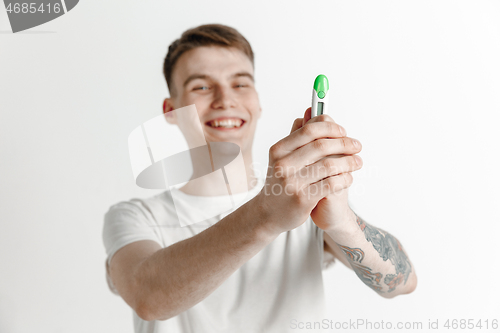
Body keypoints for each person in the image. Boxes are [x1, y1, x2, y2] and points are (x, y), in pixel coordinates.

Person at [102, 23, 417, 333]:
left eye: (241, 84)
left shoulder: (304, 202)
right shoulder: (135, 217)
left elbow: (402, 283)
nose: (226, 99)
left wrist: (341, 221)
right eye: (201, 86)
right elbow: (148, 296)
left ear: (257, 102)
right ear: (171, 111)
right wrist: (265, 214)